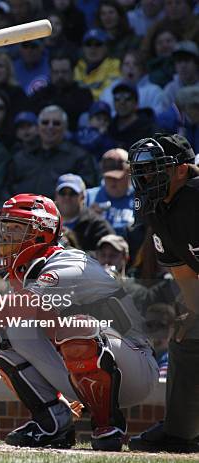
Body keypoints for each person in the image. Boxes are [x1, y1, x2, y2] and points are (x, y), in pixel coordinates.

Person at [0, 193, 159, 451]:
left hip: (134, 366)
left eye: (15, 229)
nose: (5, 237)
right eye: (4, 229)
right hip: (90, 366)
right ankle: (53, 421)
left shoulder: (68, 263)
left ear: (41, 232)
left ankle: (107, 424)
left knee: (75, 326)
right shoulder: (26, 272)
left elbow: (16, 307)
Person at [127, 133, 199, 453]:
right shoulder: (156, 209)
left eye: (154, 170)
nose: (145, 178)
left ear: (182, 170)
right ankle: (181, 433)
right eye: (141, 171)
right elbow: (185, 276)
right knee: (186, 332)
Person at [6, 106, 98, 198]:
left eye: (56, 123)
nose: (50, 127)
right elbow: (6, 189)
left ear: (65, 128)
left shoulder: (79, 157)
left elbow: (86, 193)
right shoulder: (21, 157)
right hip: (21, 210)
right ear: (38, 127)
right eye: (45, 123)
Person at [29, 52, 94, 132]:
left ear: (73, 72)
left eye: (64, 72)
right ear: (50, 72)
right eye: (56, 72)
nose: (60, 76)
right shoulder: (40, 95)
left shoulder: (83, 94)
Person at [55, 173, 115, 251]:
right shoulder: (47, 221)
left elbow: (107, 255)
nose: (67, 197)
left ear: (82, 196)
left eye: (73, 193)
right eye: (63, 193)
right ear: (56, 195)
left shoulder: (98, 226)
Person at [85, 149, 135, 237]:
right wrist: (89, 217)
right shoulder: (88, 197)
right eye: (108, 177)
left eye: (117, 177)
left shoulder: (139, 198)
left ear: (129, 172)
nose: (112, 182)